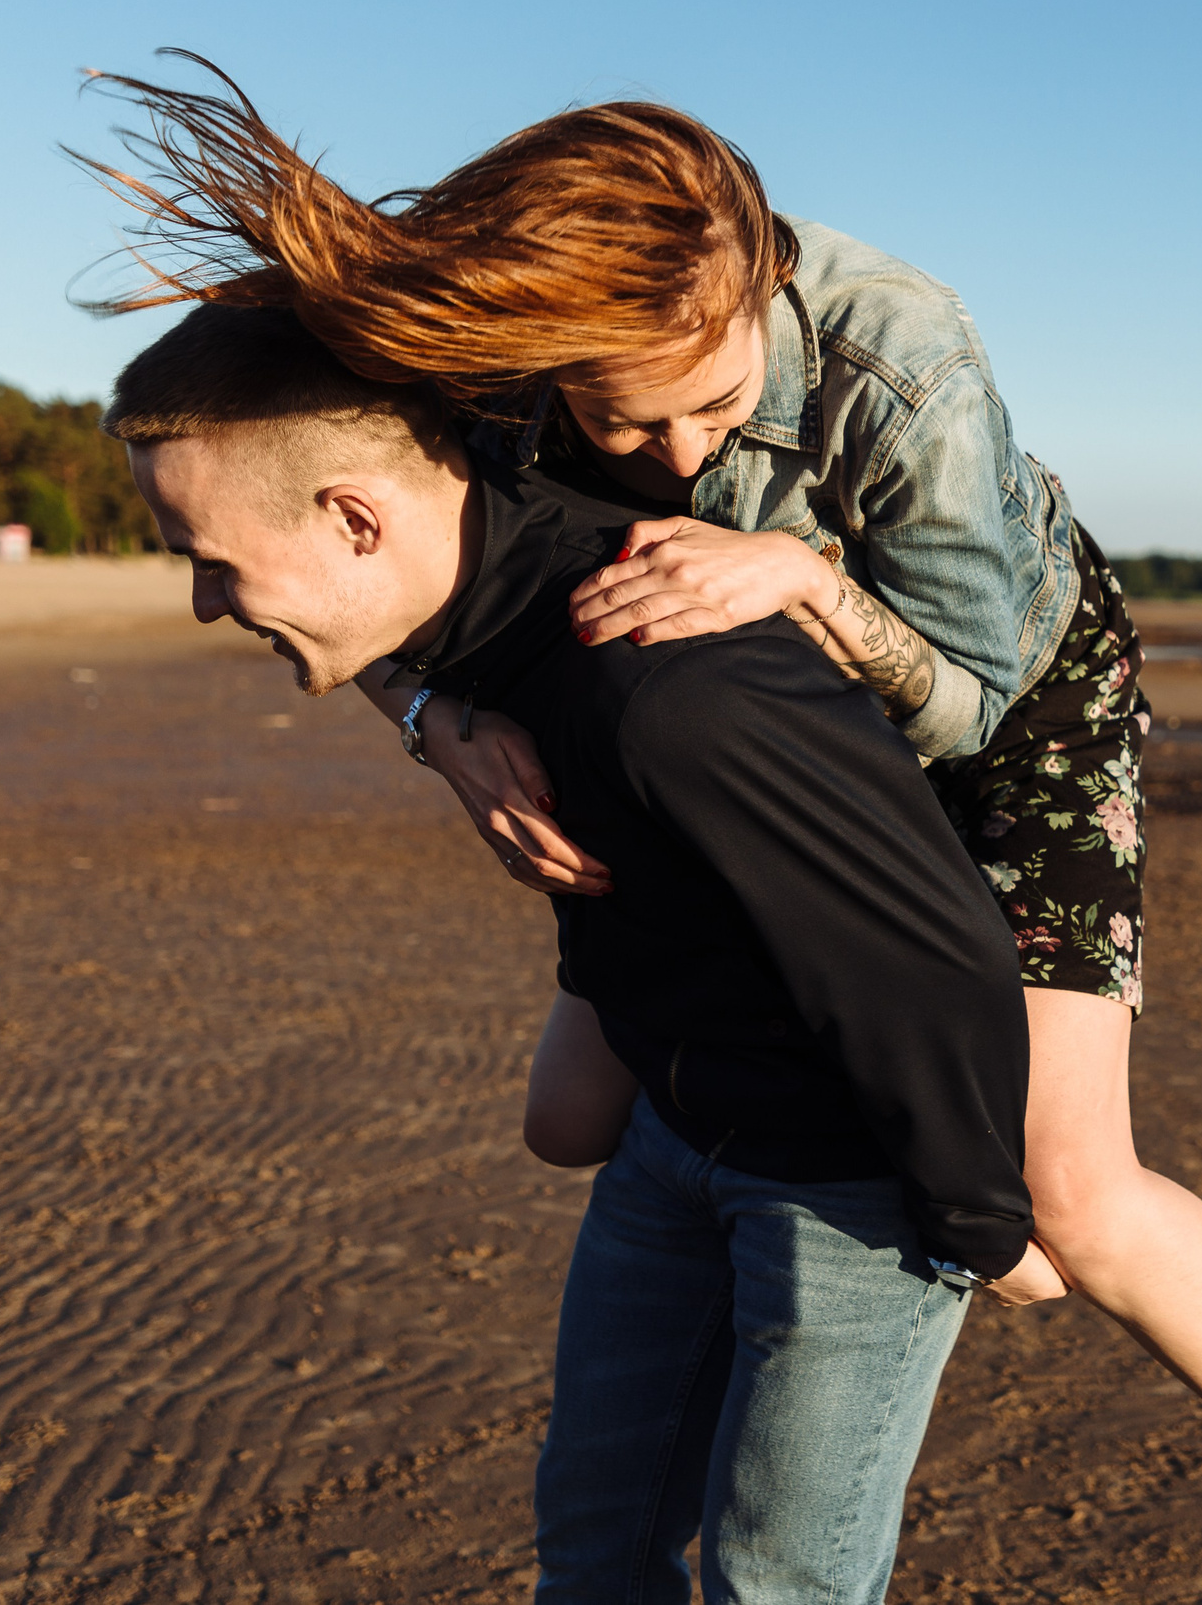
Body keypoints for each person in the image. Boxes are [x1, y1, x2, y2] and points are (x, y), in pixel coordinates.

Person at [81, 57, 1202, 1604]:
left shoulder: (905, 356)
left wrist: (802, 587)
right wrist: (431, 719)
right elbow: (378, 526)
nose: (670, 454)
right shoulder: (528, 354)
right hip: (751, 687)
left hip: (1002, 685)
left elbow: (964, 703)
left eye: (713, 407)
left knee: (1063, 1174)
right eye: (620, 416)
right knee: (573, 1115)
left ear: (771, 289)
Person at [105, 303, 1068, 1604]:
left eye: (211, 561)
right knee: (597, 1540)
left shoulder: (665, 686)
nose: (205, 603)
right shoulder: (477, 603)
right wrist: (432, 714)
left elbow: (930, 951)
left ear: (353, 518)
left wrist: (978, 1219)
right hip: (674, 1135)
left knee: (778, 1582)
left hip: (851, 1191)